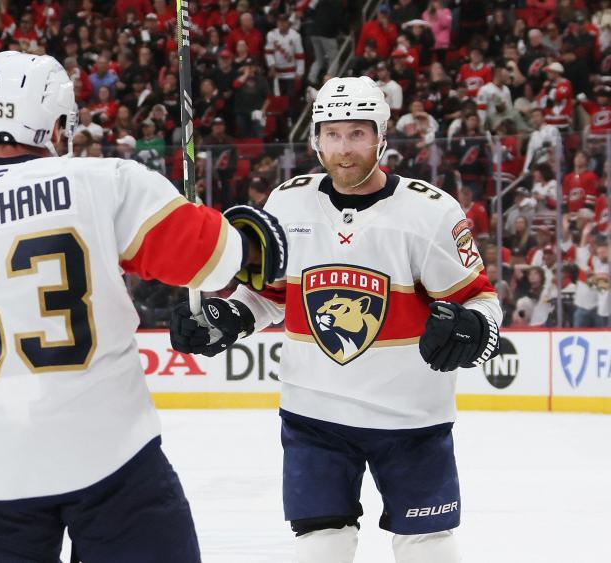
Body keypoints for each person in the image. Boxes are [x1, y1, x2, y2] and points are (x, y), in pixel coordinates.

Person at [0, 51, 286, 561]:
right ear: (57, 124)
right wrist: (244, 238)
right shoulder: (106, 182)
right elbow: (219, 257)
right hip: (111, 458)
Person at [171, 76, 501, 563]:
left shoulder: (429, 212)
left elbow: (482, 302)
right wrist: (229, 316)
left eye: (357, 134)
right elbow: (272, 297)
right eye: (332, 134)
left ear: (382, 136)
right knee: (321, 546)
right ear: (315, 138)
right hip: (314, 415)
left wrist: (476, 331)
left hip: (411, 418)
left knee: (427, 547)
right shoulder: (288, 201)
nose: (344, 150)